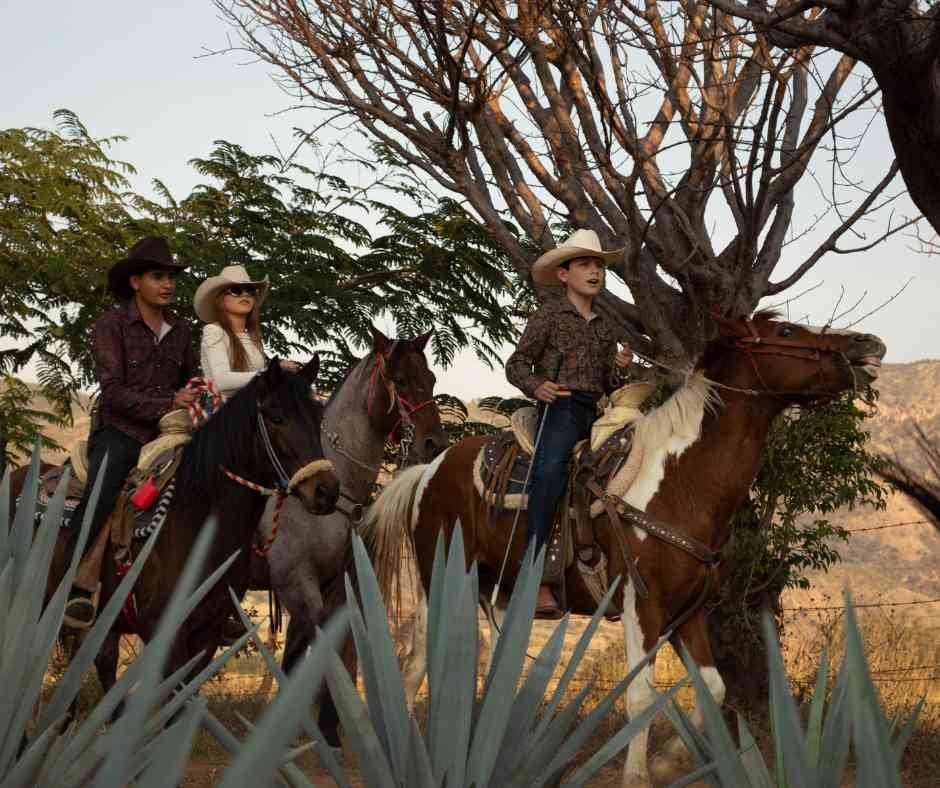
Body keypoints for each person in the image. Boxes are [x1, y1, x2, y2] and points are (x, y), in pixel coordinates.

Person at [64, 236, 200, 628]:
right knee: (103, 492)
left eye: (171, 277)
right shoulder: (112, 325)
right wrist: (169, 402)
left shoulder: (181, 330)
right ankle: (76, 586)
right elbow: (114, 392)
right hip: (122, 429)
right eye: (158, 276)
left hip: (172, 432)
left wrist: (198, 394)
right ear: (135, 282)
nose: (168, 284)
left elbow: (192, 378)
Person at [506, 229, 633, 617]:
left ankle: (608, 573)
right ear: (564, 274)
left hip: (596, 411)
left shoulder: (604, 327)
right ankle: (535, 574)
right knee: (550, 472)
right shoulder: (548, 316)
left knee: (626, 470)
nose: (595, 271)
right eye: (585, 264)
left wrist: (620, 370)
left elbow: (608, 385)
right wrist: (537, 386)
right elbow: (516, 365)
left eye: (598, 265)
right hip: (559, 407)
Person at [192, 265, 297, 399]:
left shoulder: (253, 337)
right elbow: (222, 381)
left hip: (252, 408)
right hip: (222, 411)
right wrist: (269, 372)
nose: (245, 294)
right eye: (236, 290)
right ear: (221, 299)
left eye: (250, 291)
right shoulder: (213, 331)